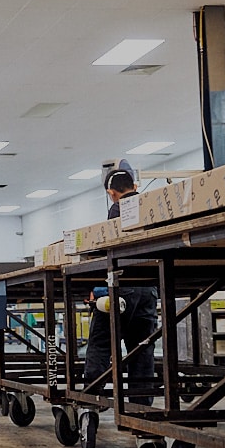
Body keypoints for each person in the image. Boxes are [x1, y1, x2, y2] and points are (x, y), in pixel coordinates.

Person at [83, 169, 157, 406]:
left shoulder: (118, 210)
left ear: (111, 193)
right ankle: (141, 406)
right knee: (142, 347)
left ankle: (92, 399)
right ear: (135, 185)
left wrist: (96, 286)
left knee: (101, 344)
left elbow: (108, 252)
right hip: (149, 290)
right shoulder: (152, 205)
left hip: (121, 287)